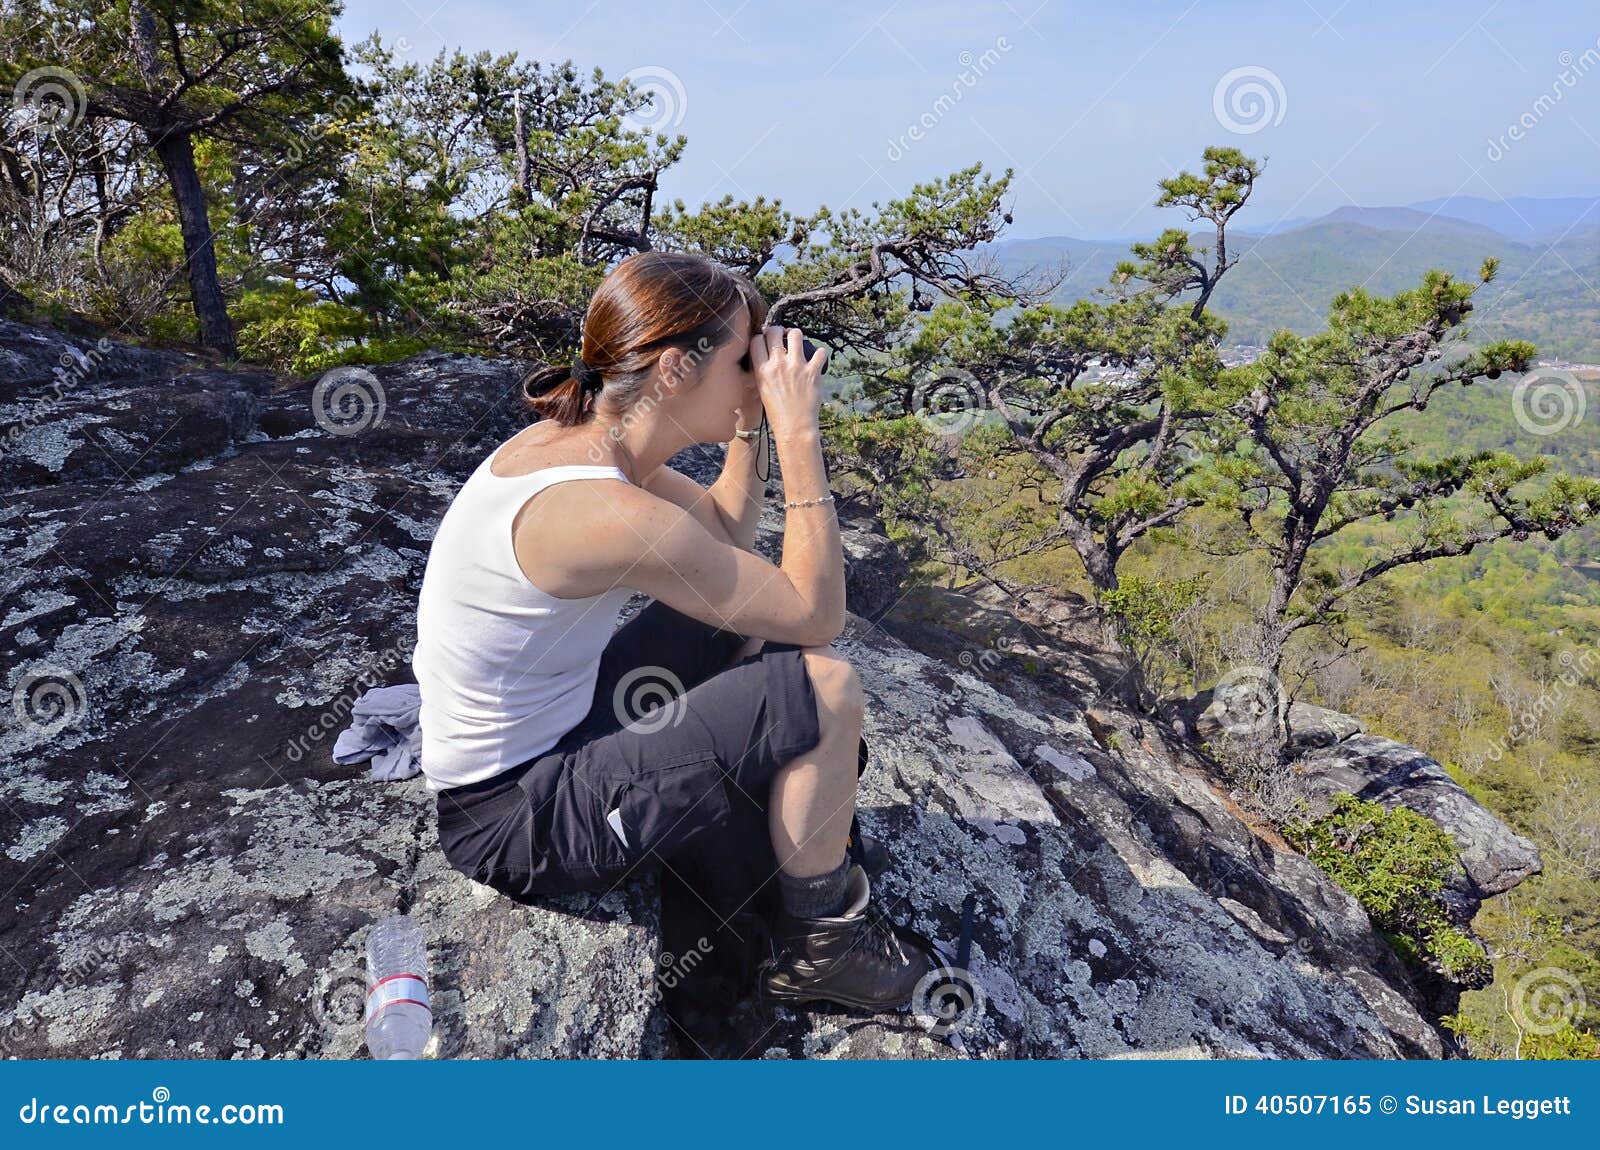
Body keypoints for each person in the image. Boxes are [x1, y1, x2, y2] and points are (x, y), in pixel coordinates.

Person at [413, 250, 937, 1011]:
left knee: (760, 637)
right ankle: (818, 948)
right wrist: (797, 434)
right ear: (674, 369)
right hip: (516, 815)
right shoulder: (602, 510)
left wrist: (750, 426)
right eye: (740, 357)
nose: (756, 372)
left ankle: (768, 820)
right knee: (826, 689)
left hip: (564, 727)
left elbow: (723, 530)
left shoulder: (588, 446)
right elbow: (820, 612)